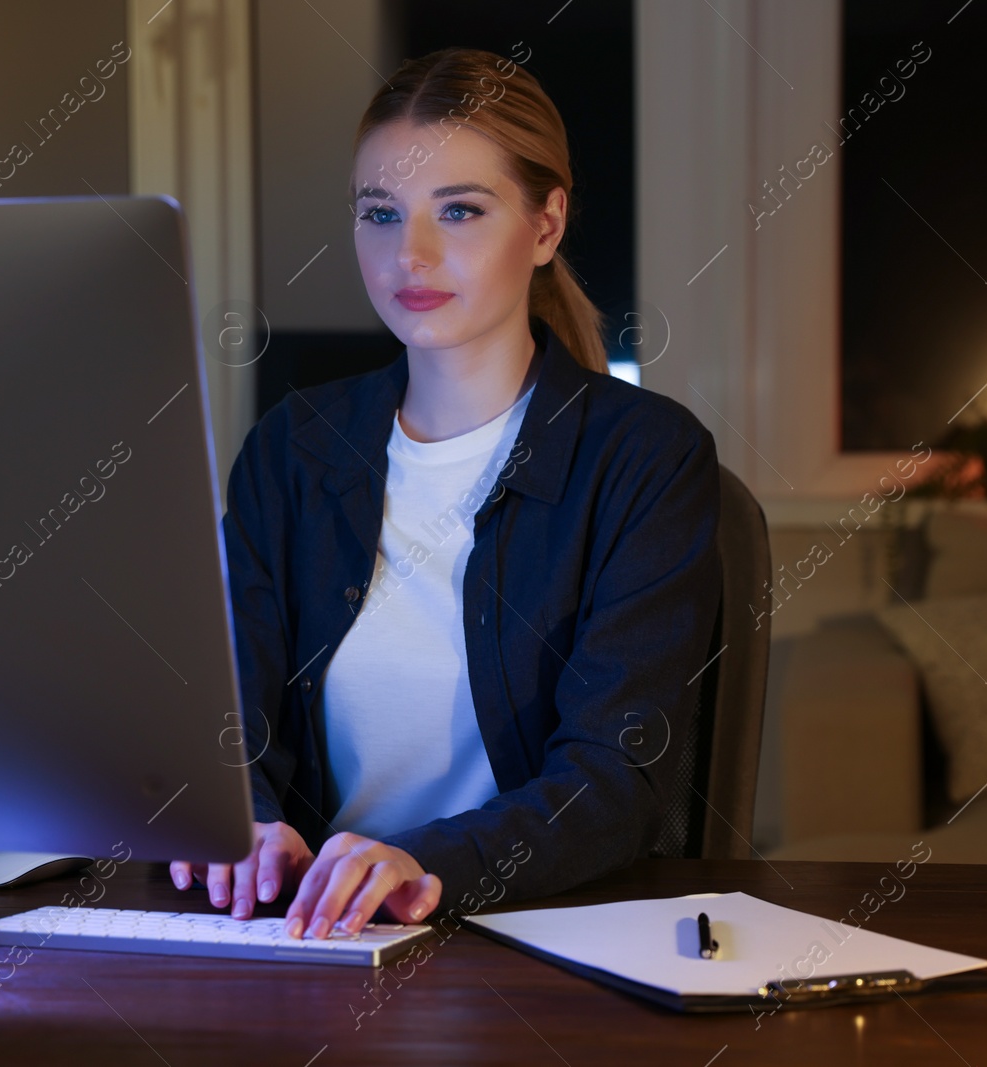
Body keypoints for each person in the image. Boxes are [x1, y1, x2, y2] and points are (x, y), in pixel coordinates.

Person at [168, 46, 722, 941]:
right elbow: (226, 709)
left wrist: (429, 863)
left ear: (546, 226)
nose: (410, 253)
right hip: (311, 933)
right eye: (379, 213)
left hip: (531, 939)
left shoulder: (645, 458)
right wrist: (247, 822)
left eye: (459, 210)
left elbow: (618, 779)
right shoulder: (293, 448)